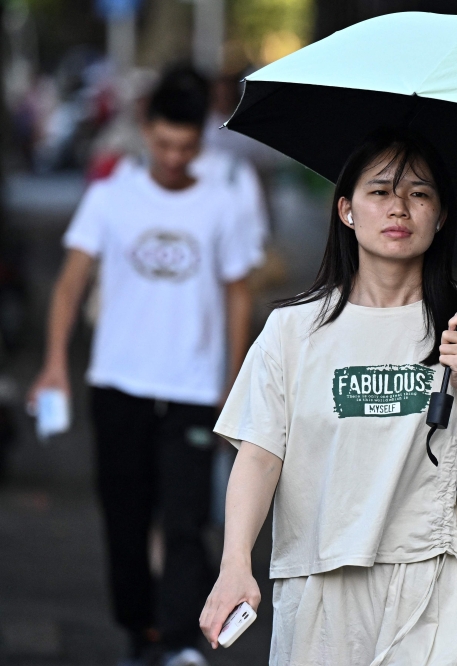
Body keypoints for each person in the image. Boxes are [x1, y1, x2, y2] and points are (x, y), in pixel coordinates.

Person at [198, 128, 457, 664]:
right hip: (319, 580)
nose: (400, 208)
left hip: (439, 577)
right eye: (381, 191)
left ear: (442, 214)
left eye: (420, 193)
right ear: (346, 210)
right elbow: (261, 454)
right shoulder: (293, 330)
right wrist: (234, 564)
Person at [28, 68, 259, 666]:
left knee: (183, 520)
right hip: (118, 384)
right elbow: (70, 283)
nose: (175, 157)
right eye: (164, 144)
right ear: (145, 132)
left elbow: (238, 294)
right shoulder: (111, 197)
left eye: (187, 147)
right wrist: (55, 364)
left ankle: (181, 638)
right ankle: (141, 632)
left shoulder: (223, 201)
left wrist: (232, 381)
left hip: (190, 387)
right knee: (125, 518)